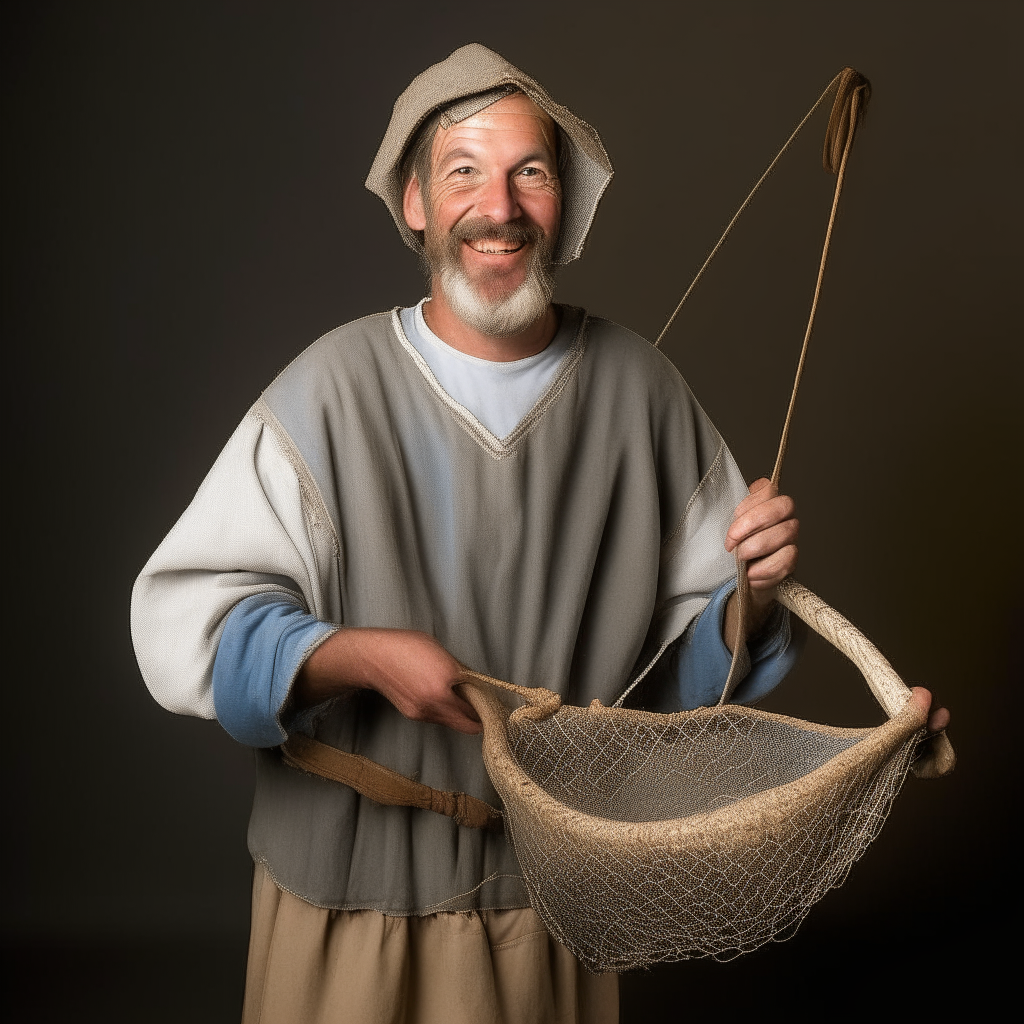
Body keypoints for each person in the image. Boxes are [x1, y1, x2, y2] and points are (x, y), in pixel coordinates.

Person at [131, 43, 949, 1024]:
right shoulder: (328, 391)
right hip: (346, 899)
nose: (501, 207)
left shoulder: (642, 393)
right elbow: (185, 628)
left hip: (545, 913)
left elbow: (675, 688)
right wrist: (352, 656)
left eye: (531, 172)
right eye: (464, 171)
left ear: (564, 202)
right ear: (415, 205)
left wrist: (752, 598)